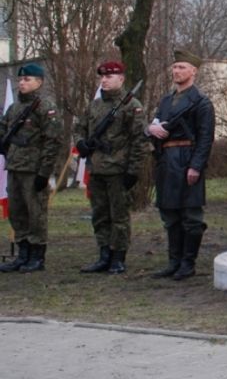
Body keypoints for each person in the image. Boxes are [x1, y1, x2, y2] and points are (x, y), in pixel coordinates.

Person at [146, 49, 215, 281]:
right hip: (166, 160)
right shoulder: (166, 100)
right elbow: (156, 124)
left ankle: (188, 263)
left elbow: (205, 137)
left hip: (186, 159)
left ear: (193, 71)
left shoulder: (201, 102)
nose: (177, 71)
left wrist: (196, 166)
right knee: (170, 215)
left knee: (191, 216)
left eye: (182, 67)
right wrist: (151, 129)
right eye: (175, 67)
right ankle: (173, 261)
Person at [75, 60, 148, 274]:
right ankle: (104, 254)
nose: (104, 80)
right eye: (102, 77)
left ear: (121, 79)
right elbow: (79, 128)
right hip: (96, 169)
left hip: (118, 170)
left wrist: (133, 171)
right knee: (100, 215)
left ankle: (118, 257)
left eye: (109, 76)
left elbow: (139, 141)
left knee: (119, 216)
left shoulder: (131, 105)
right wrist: (81, 143)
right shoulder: (94, 105)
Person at [0, 63, 64, 273]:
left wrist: (44, 172)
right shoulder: (14, 108)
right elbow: (3, 129)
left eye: (27, 80)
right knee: (17, 211)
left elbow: (52, 141)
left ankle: (37, 255)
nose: (22, 83)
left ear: (39, 82)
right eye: (20, 80)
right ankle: (23, 252)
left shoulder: (45, 107)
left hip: (34, 169)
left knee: (35, 212)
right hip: (15, 166)